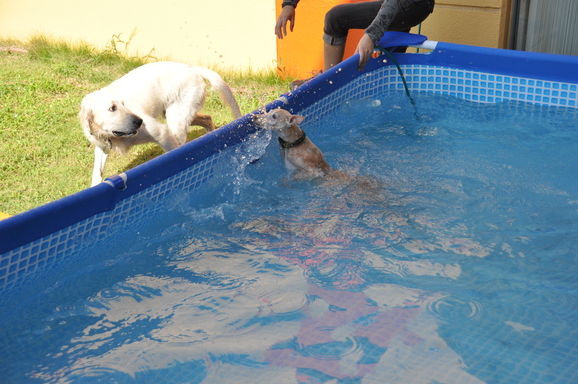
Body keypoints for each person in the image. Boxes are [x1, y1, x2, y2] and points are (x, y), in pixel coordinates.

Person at [276, 0, 435, 87]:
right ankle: (390, 94)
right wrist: (290, 3)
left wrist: (371, 35)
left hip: (411, 4)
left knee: (336, 17)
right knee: (390, 74)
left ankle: (329, 82)